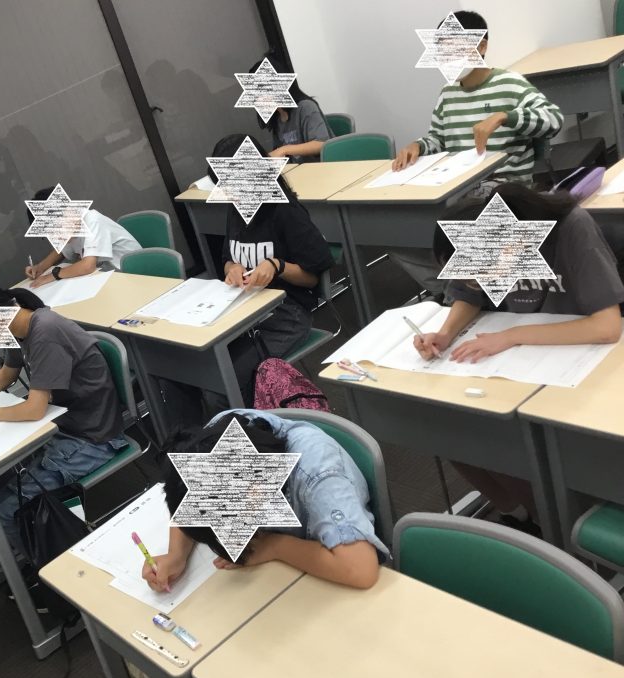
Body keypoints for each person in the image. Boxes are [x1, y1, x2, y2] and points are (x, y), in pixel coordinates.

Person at [413, 184, 624, 534]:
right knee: (452, 428)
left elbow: (606, 327)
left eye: (478, 277)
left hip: (583, 359)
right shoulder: (487, 240)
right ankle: (523, 516)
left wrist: (512, 336)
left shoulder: (571, 228)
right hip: (524, 362)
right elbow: (469, 296)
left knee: (524, 444)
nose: (475, 284)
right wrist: (446, 333)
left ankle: (557, 524)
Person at [0, 280, 128, 553]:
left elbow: (35, 409)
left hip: (93, 438)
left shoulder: (45, 331)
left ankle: (47, 567)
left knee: (5, 511)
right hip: (62, 426)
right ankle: (35, 546)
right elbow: (7, 373)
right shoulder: (17, 325)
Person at [390, 10, 564, 298]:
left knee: (464, 225)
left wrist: (505, 116)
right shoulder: (448, 94)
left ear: (481, 46)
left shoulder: (510, 83)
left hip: (506, 188)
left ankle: (463, 293)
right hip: (458, 187)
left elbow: (554, 120)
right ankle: (458, 289)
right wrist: (418, 146)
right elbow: (438, 138)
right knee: (396, 231)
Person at [141, 409, 388, 591]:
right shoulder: (212, 439)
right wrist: (176, 554)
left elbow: (360, 569)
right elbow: (189, 493)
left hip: (330, 571)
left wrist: (274, 546)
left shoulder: (319, 474)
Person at [214, 133, 334, 406]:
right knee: (208, 365)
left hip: (287, 314)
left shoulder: (285, 211)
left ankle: (254, 425)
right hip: (246, 310)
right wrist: (232, 267)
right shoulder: (237, 209)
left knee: (227, 380)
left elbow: (312, 277)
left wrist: (277, 266)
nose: (230, 191)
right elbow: (227, 257)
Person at [24, 187, 141, 288]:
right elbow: (62, 251)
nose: (56, 238)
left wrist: (53, 275)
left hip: (134, 275)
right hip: (110, 276)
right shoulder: (70, 228)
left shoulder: (92, 220)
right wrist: (40, 267)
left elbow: (87, 266)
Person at [254, 52, 333, 163]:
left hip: (322, 168)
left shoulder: (305, 107)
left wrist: (284, 150)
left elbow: (321, 144)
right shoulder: (276, 118)